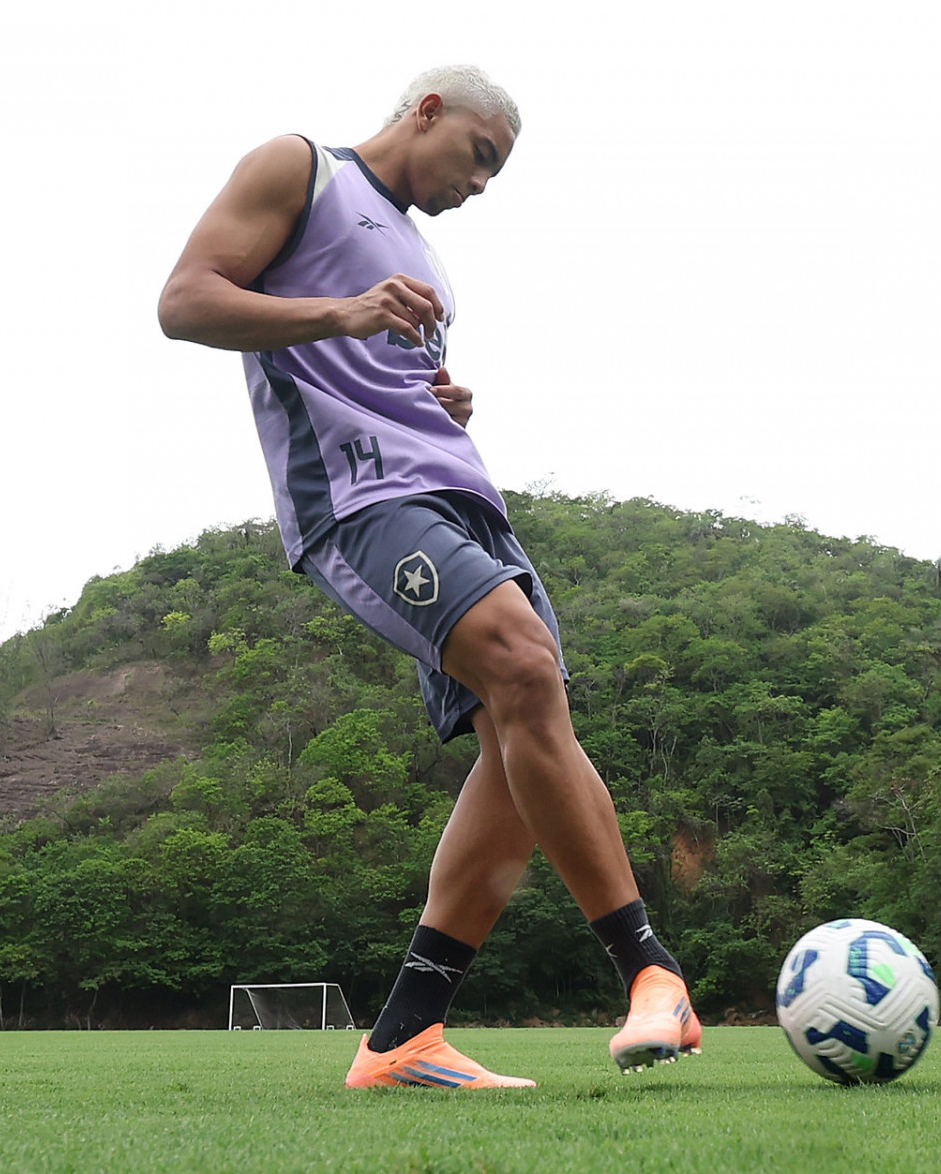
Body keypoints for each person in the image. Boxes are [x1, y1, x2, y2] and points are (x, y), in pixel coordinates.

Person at [158, 65, 699, 1089]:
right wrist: (347, 312)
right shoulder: (301, 167)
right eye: (480, 157)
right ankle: (648, 970)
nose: (483, 184)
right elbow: (184, 301)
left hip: (462, 493)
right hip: (363, 502)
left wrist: (435, 398)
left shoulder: (426, 257)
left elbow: (378, 365)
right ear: (428, 112)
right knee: (527, 674)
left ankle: (405, 1033)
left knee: (519, 741)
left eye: (498, 174)